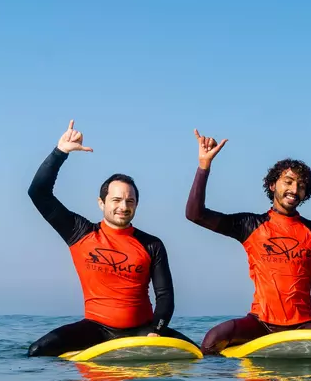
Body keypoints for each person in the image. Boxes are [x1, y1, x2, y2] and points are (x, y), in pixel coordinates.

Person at [27, 121, 193, 356]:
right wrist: (60, 152)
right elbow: (38, 193)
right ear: (101, 203)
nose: (123, 207)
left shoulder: (152, 244)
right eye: (116, 200)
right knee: (37, 351)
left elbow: (165, 296)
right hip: (96, 329)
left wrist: (157, 329)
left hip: (143, 330)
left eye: (130, 201)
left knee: (201, 357)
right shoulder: (80, 233)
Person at [186, 130, 311, 354]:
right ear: (273, 184)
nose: (294, 190)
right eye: (288, 181)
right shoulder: (250, 225)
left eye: (301, 185)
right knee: (214, 337)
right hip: (260, 324)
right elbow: (195, 214)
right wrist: (204, 166)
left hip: (301, 325)